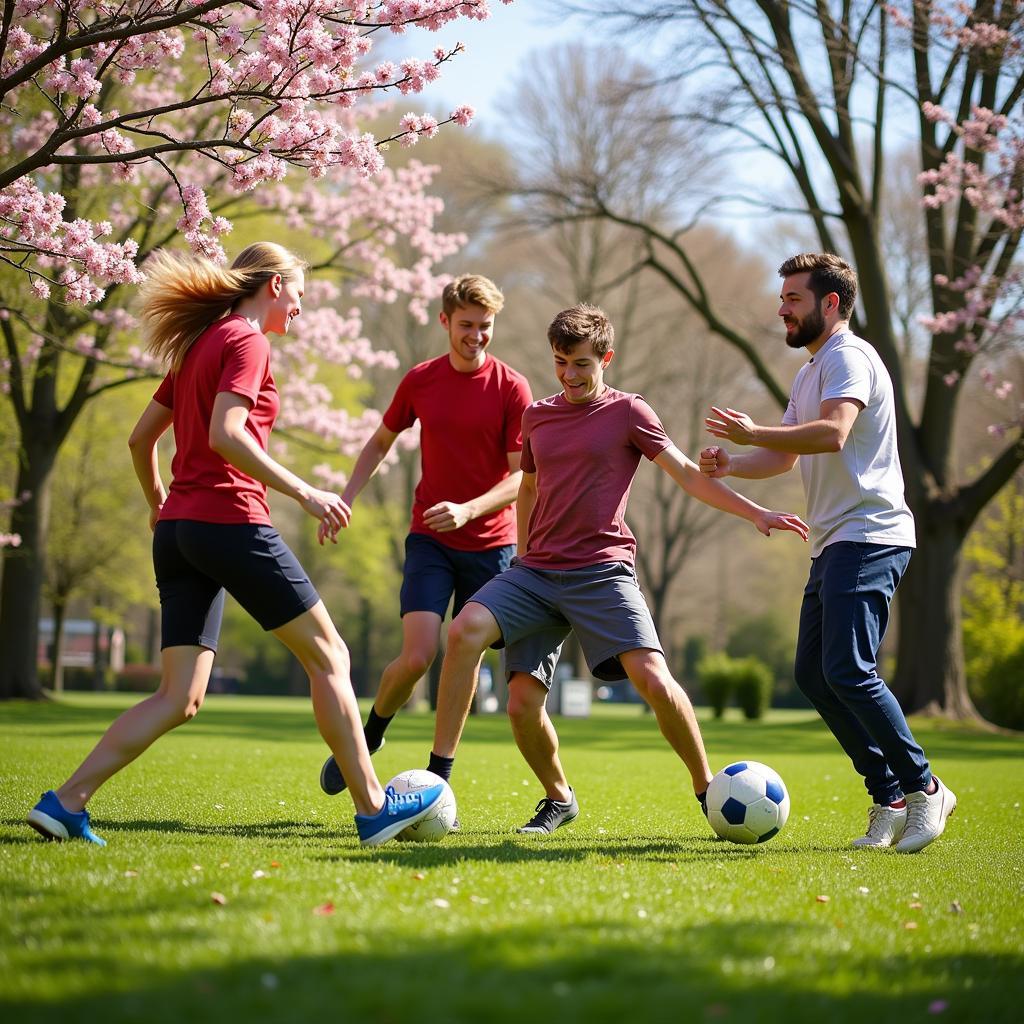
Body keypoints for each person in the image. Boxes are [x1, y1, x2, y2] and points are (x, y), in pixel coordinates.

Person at [27, 242, 443, 848]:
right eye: (299, 291)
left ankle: (64, 803)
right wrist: (304, 492)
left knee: (178, 696)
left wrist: (159, 506)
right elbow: (227, 433)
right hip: (230, 521)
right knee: (330, 656)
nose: (300, 306)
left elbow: (140, 440)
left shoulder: (197, 344)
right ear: (274, 285)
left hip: (178, 534)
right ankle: (374, 808)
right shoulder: (248, 341)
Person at [424, 303, 809, 833]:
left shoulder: (630, 412)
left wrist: (756, 512)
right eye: (561, 362)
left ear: (606, 358)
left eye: (582, 363)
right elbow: (530, 489)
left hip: (601, 572)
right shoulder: (537, 415)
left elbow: (688, 475)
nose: (570, 375)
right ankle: (465, 783)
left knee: (652, 678)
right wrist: (520, 554)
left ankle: (708, 791)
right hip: (535, 572)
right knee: (486, 658)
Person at [700, 251, 956, 853]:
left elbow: (833, 432)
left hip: (871, 532)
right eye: (783, 297)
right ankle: (888, 797)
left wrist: (752, 431)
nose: (782, 308)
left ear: (830, 303)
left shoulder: (850, 357)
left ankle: (925, 787)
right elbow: (790, 454)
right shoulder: (810, 369)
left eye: (793, 298)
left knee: (848, 668)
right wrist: (734, 462)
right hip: (835, 539)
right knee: (814, 675)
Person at [319, 275, 533, 802]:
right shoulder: (421, 381)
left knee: (464, 657)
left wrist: (469, 509)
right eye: (466, 326)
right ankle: (371, 732)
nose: (476, 337)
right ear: (444, 322)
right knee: (417, 657)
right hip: (430, 540)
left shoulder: (512, 387)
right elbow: (380, 441)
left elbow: (519, 478)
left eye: (485, 327)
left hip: (491, 545)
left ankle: (440, 776)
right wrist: (346, 496)